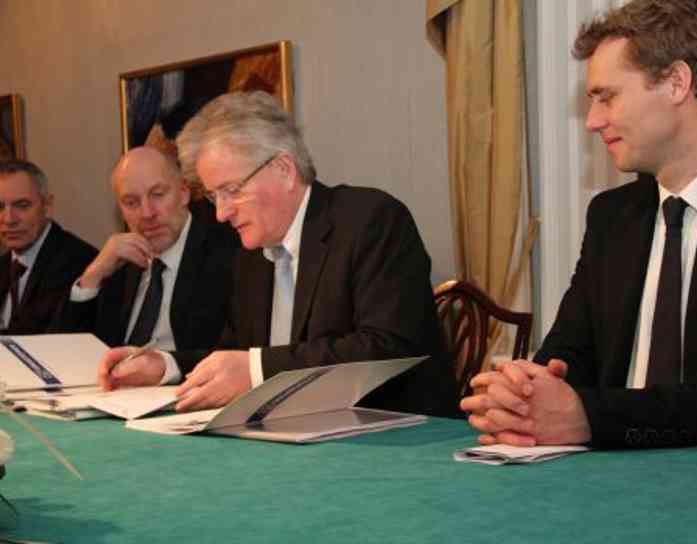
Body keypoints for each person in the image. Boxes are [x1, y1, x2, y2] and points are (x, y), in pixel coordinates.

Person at [462, 0, 697, 453]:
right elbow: (568, 358)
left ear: (678, 83)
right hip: (607, 487)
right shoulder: (611, 218)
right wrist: (522, 395)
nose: (593, 122)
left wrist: (592, 419)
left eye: (608, 97)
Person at [97, 91, 458, 418]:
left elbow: (388, 348)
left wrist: (257, 370)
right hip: (296, 438)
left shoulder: (370, 220)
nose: (221, 213)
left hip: (398, 435)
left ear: (284, 170)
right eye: (212, 196)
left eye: (231, 191)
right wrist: (166, 365)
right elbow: (236, 354)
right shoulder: (251, 255)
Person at [54, 146, 238, 353]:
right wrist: (93, 275)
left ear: (184, 193)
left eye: (158, 195)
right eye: (131, 202)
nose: (147, 213)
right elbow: (67, 352)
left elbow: (229, 351)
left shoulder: (227, 253)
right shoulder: (120, 261)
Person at [0, 159, 96, 334]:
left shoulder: (80, 263)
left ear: (47, 207)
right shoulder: (4, 264)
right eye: (0, 207)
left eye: (22, 205)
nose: (8, 219)